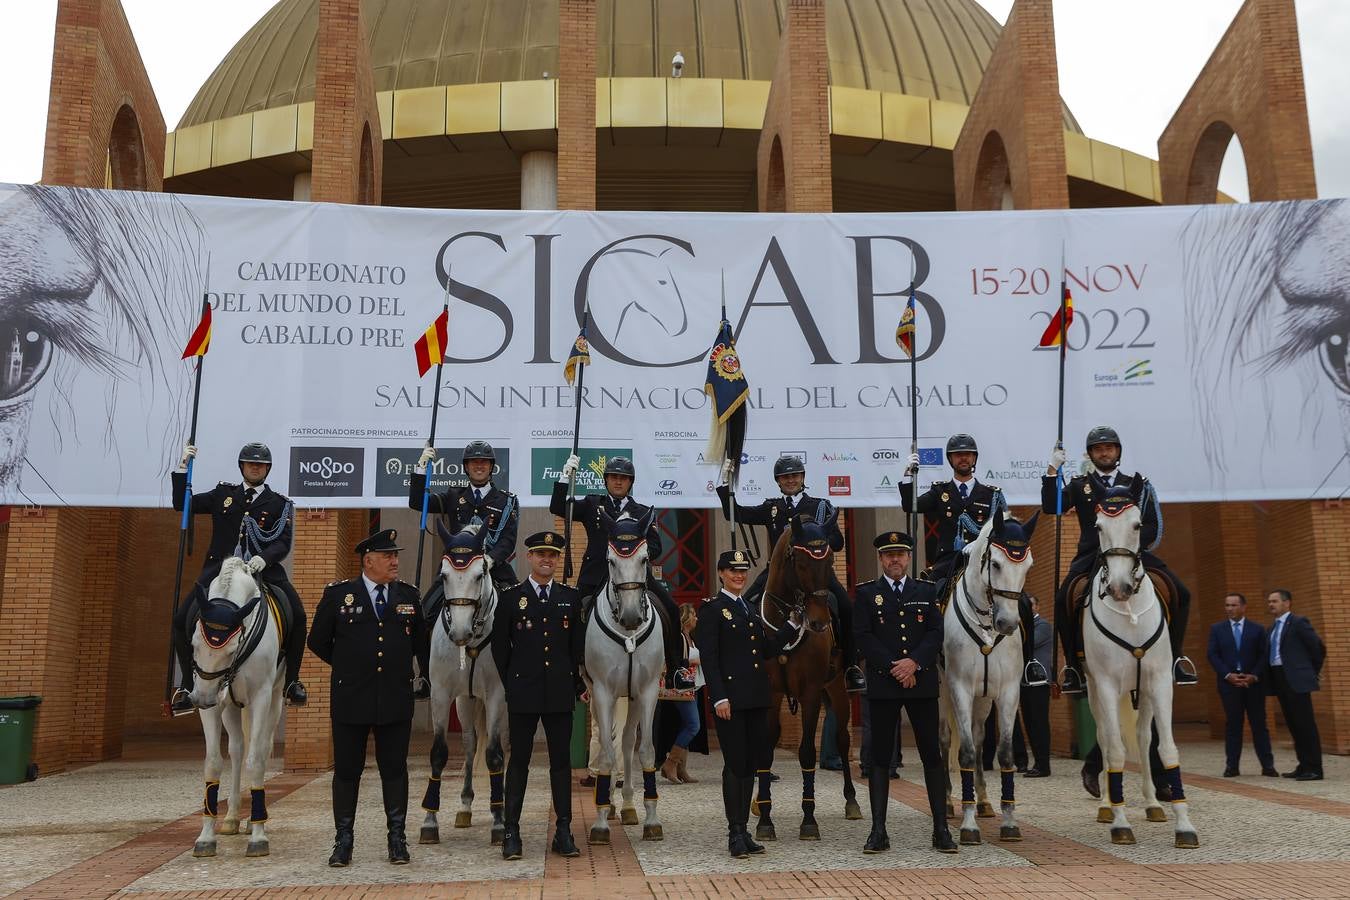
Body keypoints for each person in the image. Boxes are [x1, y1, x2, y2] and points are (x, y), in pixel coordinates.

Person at [1043, 425, 1196, 694]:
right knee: (1062, 600)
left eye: (1109, 448)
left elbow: (1153, 524)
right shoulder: (1081, 485)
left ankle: (1176, 658)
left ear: (1118, 451)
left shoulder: (1139, 484)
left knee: (1180, 593)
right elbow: (1051, 506)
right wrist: (1052, 471)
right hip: (1092, 555)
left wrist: (1129, 547)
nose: (1105, 453)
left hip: (1132, 554)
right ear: (1091, 454)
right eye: (1099, 449)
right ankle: (1073, 668)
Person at [307, 528, 428, 867]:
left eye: (396, 555)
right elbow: (317, 640)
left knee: (394, 770)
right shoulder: (339, 595)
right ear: (368, 560)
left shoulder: (408, 595)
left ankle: (397, 838)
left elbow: (422, 643)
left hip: (394, 697)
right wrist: (347, 665)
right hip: (351, 698)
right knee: (347, 771)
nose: (394, 561)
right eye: (388, 556)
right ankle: (343, 840)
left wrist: (425, 676)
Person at [170, 441, 307, 714]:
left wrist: (264, 558)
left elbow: (282, 542)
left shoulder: (280, 503)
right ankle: (186, 685)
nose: (255, 467)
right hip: (219, 572)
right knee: (180, 619)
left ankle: (292, 681)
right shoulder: (223, 494)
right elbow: (181, 504)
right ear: (242, 466)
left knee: (299, 617)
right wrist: (181, 470)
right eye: (250, 463)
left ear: (267, 469)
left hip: (264, 572)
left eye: (261, 464)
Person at [902, 434, 1046, 687]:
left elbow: (1003, 528)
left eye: (968, 454)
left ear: (975, 459)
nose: (964, 458)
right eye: (958, 454)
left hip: (986, 559)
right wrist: (908, 476)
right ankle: (926, 659)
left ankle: (1030, 663)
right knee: (928, 600)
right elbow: (910, 505)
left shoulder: (992, 494)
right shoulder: (940, 492)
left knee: (1021, 601)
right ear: (951, 460)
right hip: (950, 560)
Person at [716, 454, 865, 692]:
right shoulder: (772, 508)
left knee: (845, 606)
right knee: (746, 604)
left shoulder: (820, 506)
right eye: (785, 477)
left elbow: (837, 543)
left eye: (795, 475)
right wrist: (725, 486)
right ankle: (747, 661)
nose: (790, 480)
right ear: (778, 481)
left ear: (803, 477)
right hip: (780, 574)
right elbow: (736, 513)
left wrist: (824, 533)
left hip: (815, 574)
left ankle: (851, 666)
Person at [852, 531, 956, 854]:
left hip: (921, 682)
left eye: (900, 554)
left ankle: (941, 829)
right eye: (888, 554)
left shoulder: (925, 591)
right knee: (880, 758)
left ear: (909, 557)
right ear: (881, 559)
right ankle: (878, 830)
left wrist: (914, 663)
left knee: (931, 756)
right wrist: (895, 667)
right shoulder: (867, 594)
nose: (894, 559)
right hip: (884, 684)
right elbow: (863, 636)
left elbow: (936, 633)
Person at [551, 453, 692, 690]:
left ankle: (676, 669)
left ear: (631, 482)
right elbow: (558, 507)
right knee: (573, 613)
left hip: (635, 578)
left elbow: (656, 546)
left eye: (624, 478)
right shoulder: (593, 505)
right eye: (614, 477)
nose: (618, 482)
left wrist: (636, 553)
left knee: (670, 609)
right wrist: (565, 478)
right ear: (606, 480)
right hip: (596, 575)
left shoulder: (643, 511)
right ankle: (572, 670)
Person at [694, 548, 802, 859]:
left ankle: (744, 832)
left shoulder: (748, 609)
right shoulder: (713, 610)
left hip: (756, 699)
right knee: (736, 766)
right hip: (732, 701)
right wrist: (719, 697)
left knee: (751, 765)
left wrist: (791, 628)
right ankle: (735, 833)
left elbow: (766, 649)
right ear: (721, 574)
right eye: (733, 571)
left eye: (743, 571)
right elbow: (710, 660)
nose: (739, 576)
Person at [492, 531, 588, 859]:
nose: (547, 559)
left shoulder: (569, 598)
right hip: (523, 692)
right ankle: (512, 832)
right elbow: (500, 648)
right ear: (529, 558)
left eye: (552, 554)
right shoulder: (510, 598)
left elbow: (577, 647)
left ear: (558, 560)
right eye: (540, 553)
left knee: (561, 764)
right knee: (519, 762)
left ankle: (563, 831)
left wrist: (575, 681)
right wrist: (513, 682)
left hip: (560, 692)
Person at [411, 440, 519, 596]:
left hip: (492, 568)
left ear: (491, 467)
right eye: (474, 462)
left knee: (516, 607)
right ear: (466, 467)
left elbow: (508, 540)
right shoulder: (454, 496)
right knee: (429, 608)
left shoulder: (506, 501)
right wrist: (421, 467)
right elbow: (418, 502)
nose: (479, 466)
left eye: (484, 462)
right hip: (455, 566)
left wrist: (490, 559)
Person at [1206, 592, 1277, 777]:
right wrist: (1228, 675)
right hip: (1229, 685)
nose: (1229, 609)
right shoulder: (1217, 629)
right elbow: (1213, 655)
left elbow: (1264, 654)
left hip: (1253, 684)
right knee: (1233, 725)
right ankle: (1232, 766)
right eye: (1227, 605)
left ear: (1244, 607)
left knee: (1259, 724)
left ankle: (1268, 766)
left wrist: (1253, 675)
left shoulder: (1257, 629)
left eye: (1234, 605)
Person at [1266, 589, 1325, 781]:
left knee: (1305, 724)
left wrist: (1310, 672)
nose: (1271, 605)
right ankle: (1303, 765)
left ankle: (1315, 768)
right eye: (1269, 602)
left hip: (1297, 680)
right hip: (1280, 678)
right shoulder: (1272, 628)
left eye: (1275, 601)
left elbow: (1318, 648)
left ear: (1287, 603)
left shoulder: (1299, 623)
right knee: (1293, 724)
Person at [659, 603, 705, 784]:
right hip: (681, 688)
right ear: (685, 617)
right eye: (693, 614)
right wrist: (696, 660)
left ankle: (681, 769)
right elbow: (674, 660)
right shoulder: (678, 637)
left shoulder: (690, 637)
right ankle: (670, 764)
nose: (696, 618)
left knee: (686, 725)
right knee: (693, 725)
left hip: (692, 687)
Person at [1021, 596, 1054, 777]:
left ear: (1037, 606)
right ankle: (1037, 763)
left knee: (1039, 723)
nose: (1029, 608)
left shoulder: (1042, 625)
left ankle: (1044, 765)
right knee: (1030, 723)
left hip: (1039, 682)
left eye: (1031, 605)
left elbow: (1026, 643)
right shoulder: (1024, 627)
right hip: (1025, 681)